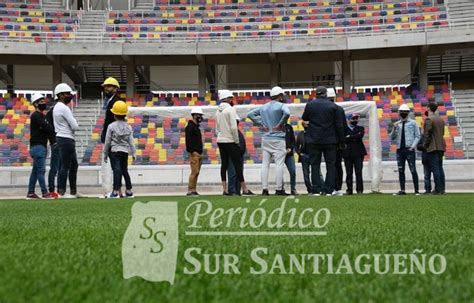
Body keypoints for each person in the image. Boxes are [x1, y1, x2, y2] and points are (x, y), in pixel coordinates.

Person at [248, 86, 291, 196]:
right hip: (278, 138)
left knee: (265, 164)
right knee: (279, 164)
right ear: (280, 96)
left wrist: (260, 123)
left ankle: (265, 189)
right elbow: (287, 113)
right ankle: (278, 189)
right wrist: (281, 124)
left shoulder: (263, 107)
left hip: (266, 138)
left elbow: (250, 114)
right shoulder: (282, 105)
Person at [302, 86, 344, 196]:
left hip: (313, 139)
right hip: (330, 140)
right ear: (326, 94)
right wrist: (341, 142)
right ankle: (328, 190)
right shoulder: (334, 107)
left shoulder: (310, 105)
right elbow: (339, 126)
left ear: (316, 94)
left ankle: (316, 190)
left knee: (315, 165)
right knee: (331, 165)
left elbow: (305, 118)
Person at [216, 90, 254, 196]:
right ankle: (245, 189)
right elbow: (233, 127)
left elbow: (217, 128)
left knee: (224, 165)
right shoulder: (231, 109)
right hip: (230, 140)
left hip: (220, 140)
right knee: (237, 165)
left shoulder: (218, 111)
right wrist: (236, 141)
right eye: (231, 98)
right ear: (228, 98)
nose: (232, 100)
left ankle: (225, 189)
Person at [52, 83, 80, 198]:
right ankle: (62, 192)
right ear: (60, 95)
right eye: (67, 94)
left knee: (73, 165)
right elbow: (75, 126)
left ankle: (72, 191)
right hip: (66, 138)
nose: (69, 95)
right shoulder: (64, 108)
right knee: (66, 166)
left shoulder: (56, 107)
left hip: (62, 137)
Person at [103, 101, 136, 198]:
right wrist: (134, 153)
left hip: (114, 151)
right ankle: (129, 190)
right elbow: (131, 142)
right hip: (124, 152)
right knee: (124, 170)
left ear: (114, 115)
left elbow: (107, 141)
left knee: (116, 170)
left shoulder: (111, 126)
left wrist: (105, 153)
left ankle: (115, 191)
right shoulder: (128, 127)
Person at [27, 93, 55, 199]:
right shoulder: (36, 115)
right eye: (41, 101)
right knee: (41, 171)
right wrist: (48, 126)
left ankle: (30, 192)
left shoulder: (41, 116)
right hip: (38, 146)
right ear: (36, 103)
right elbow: (48, 128)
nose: (44, 103)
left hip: (38, 146)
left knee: (35, 171)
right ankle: (45, 192)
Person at [390, 103, 421, 195]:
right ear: (399, 113)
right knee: (400, 170)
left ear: (408, 113)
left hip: (409, 149)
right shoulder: (397, 124)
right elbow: (392, 137)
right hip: (400, 149)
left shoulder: (413, 123)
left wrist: (412, 147)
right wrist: (394, 129)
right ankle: (402, 190)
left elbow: (418, 135)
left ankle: (416, 190)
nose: (403, 113)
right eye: (401, 112)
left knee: (413, 169)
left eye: (405, 112)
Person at [100, 77, 121, 196]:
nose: (106, 89)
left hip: (113, 138)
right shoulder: (110, 101)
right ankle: (116, 190)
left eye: (109, 86)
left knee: (115, 165)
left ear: (115, 88)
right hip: (111, 137)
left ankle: (116, 190)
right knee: (114, 165)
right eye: (105, 87)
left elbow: (114, 122)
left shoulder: (116, 102)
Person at [423, 102, 446, 194]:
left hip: (433, 147)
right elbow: (443, 133)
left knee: (435, 169)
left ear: (428, 108)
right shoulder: (441, 119)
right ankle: (442, 188)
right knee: (440, 168)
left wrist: (425, 145)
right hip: (441, 146)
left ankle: (437, 189)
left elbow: (427, 134)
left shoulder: (429, 119)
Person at [343, 113, 367, 195]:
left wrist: (349, 136)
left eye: (356, 118)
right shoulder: (344, 129)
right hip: (347, 153)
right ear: (348, 120)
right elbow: (343, 139)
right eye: (353, 118)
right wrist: (354, 136)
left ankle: (359, 190)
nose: (355, 120)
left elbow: (359, 136)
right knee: (349, 173)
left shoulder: (361, 128)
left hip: (358, 153)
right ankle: (349, 189)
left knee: (358, 172)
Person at [328, 89, 346, 196]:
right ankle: (338, 187)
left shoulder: (324, 109)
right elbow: (341, 126)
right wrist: (342, 141)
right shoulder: (339, 109)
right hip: (337, 141)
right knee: (338, 165)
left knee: (331, 165)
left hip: (327, 141)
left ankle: (331, 187)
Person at [185, 107, 204, 196]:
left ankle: (194, 189)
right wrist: (192, 151)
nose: (200, 117)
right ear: (194, 115)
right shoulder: (190, 127)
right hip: (194, 153)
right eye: (198, 115)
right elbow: (188, 141)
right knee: (194, 172)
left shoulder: (196, 127)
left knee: (197, 172)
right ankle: (190, 190)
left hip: (199, 153)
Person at [45, 95, 60, 198]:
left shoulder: (53, 111)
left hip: (56, 142)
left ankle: (55, 190)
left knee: (57, 168)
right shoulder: (54, 111)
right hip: (56, 142)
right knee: (55, 168)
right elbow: (49, 128)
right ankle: (52, 190)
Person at [227, 117, 246, 195]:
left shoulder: (237, 132)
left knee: (238, 174)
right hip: (233, 156)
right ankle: (232, 191)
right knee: (233, 173)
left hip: (239, 156)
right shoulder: (230, 132)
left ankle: (237, 191)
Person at [295, 124, 312, 194]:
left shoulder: (313, 133)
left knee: (317, 173)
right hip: (304, 156)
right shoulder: (300, 134)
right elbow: (296, 146)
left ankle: (320, 188)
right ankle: (309, 189)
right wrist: (300, 154)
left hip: (313, 155)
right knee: (306, 174)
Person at [283, 123, 297, 195]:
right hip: (280, 154)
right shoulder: (276, 126)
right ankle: (281, 189)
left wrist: (290, 148)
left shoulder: (289, 127)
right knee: (280, 171)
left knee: (293, 171)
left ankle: (293, 188)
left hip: (289, 154)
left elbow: (293, 140)